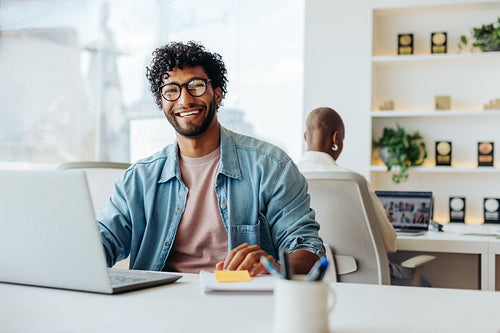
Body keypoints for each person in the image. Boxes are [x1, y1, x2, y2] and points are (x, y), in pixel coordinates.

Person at [97, 41, 325, 277]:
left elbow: (307, 248)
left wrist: (274, 267)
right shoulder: (139, 179)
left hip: (240, 299)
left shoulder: (270, 167)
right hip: (160, 304)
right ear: (162, 102)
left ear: (217, 94)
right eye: (171, 90)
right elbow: (101, 242)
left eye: (195, 86)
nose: (184, 100)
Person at [298, 107, 424, 286]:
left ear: (305, 137)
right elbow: (389, 243)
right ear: (336, 138)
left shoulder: (289, 177)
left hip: (310, 278)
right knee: (427, 286)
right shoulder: (353, 181)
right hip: (367, 278)